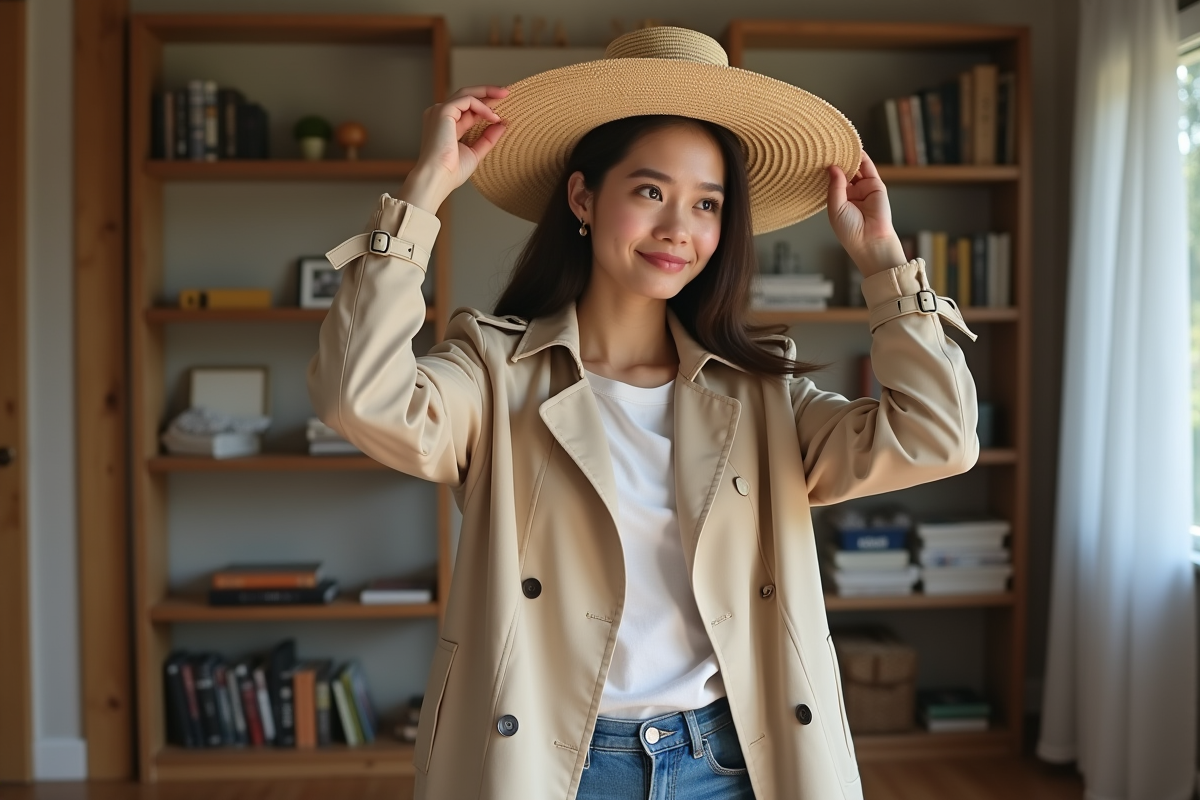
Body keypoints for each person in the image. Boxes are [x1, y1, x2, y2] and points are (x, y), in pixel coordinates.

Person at [308, 26, 979, 800]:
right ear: (584, 197)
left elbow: (939, 438)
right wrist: (423, 191)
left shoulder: (763, 394)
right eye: (650, 191)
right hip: (555, 765)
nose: (678, 230)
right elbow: (357, 397)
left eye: (707, 204)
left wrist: (886, 265)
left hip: (732, 763)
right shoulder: (495, 371)